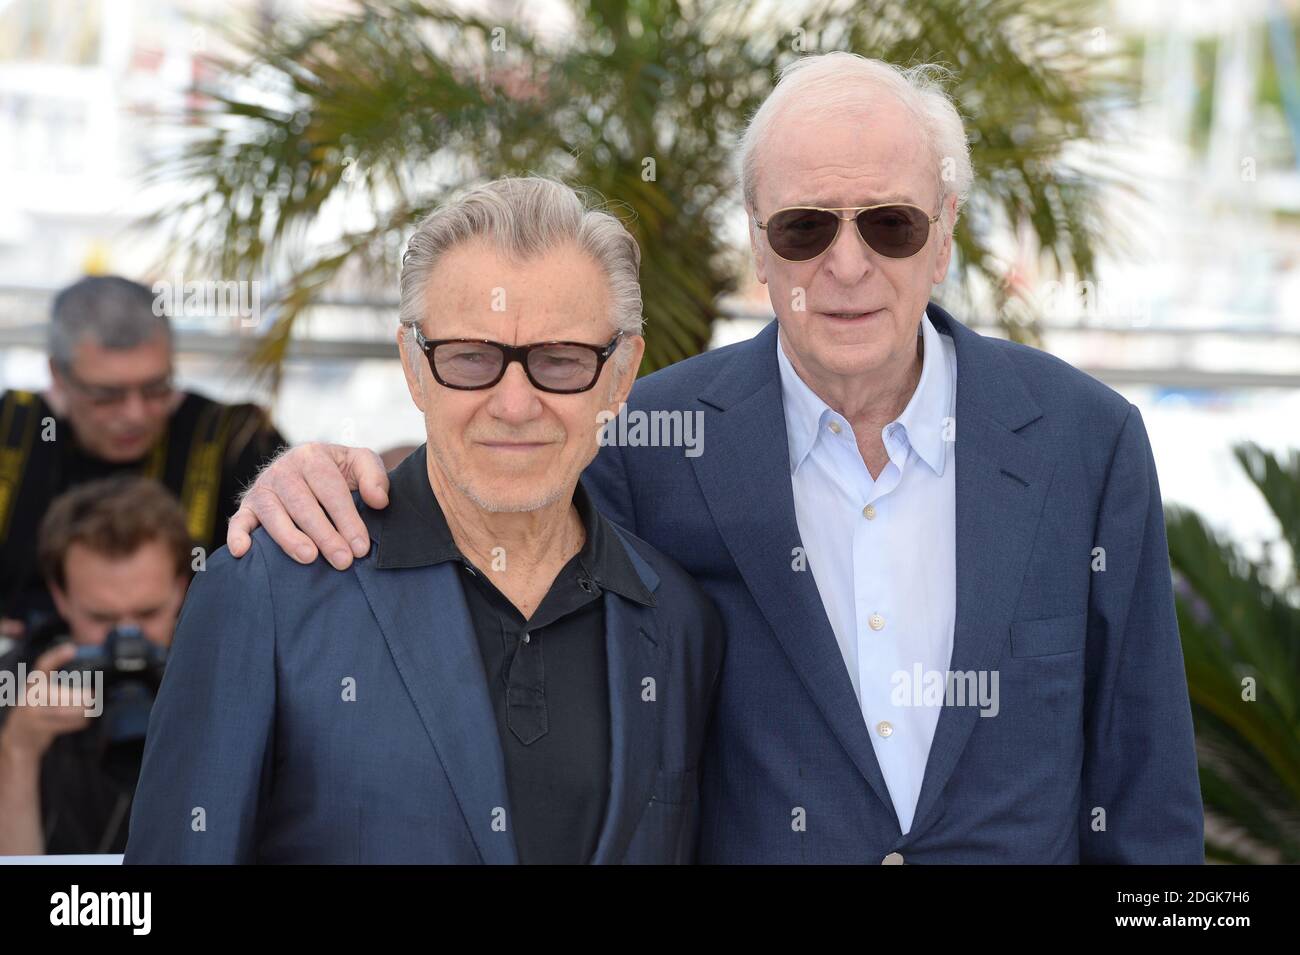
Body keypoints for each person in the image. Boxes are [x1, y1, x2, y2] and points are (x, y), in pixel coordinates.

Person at [226, 54, 1204, 863]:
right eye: (805, 226)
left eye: (892, 223)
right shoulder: (647, 437)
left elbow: (1145, 777)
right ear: (759, 245)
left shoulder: (1087, 437)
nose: (848, 264)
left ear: (943, 235)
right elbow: (491, 501)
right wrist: (311, 477)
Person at [124, 178, 724, 864]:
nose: (515, 404)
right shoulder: (267, 590)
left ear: (620, 377)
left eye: (560, 361)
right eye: (472, 358)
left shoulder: (679, 621)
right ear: (413, 366)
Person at [0, 275, 285, 637]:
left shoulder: (236, 439)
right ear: (58, 374)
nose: (135, 414)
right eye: (107, 395)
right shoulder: (12, 431)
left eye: (156, 388)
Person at [0, 477, 191, 855]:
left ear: (181, 587)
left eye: (148, 612)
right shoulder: (14, 678)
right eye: (101, 617)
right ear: (61, 597)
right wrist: (18, 751)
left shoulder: (227, 674)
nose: (127, 638)